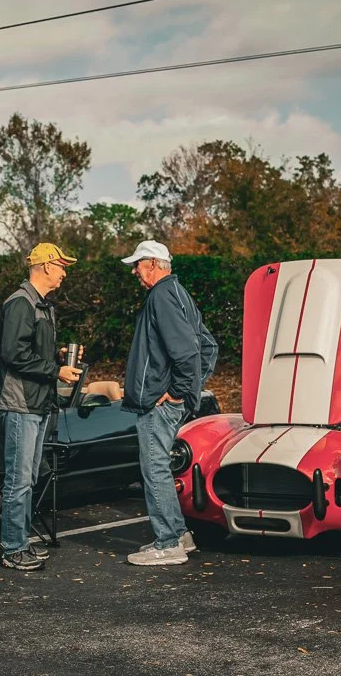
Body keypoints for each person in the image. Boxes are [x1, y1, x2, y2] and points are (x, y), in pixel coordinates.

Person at [120, 240, 217, 566]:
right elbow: (208, 346)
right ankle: (179, 535)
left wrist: (178, 392)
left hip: (158, 404)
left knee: (155, 469)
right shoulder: (178, 294)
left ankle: (169, 543)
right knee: (158, 466)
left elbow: (190, 351)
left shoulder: (161, 295)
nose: (134, 271)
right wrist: (190, 390)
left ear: (152, 264)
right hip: (164, 400)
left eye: (137, 265)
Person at [0, 242, 81, 571]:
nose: (64, 272)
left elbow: (31, 354)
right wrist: (55, 370)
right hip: (20, 404)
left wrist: (58, 359)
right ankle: (13, 549)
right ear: (44, 266)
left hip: (38, 403)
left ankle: (21, 543)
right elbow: (12, 354)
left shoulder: (43, 306)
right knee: (18, 479)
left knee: (27, 478)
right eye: (60, 266)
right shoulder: (21, 303)